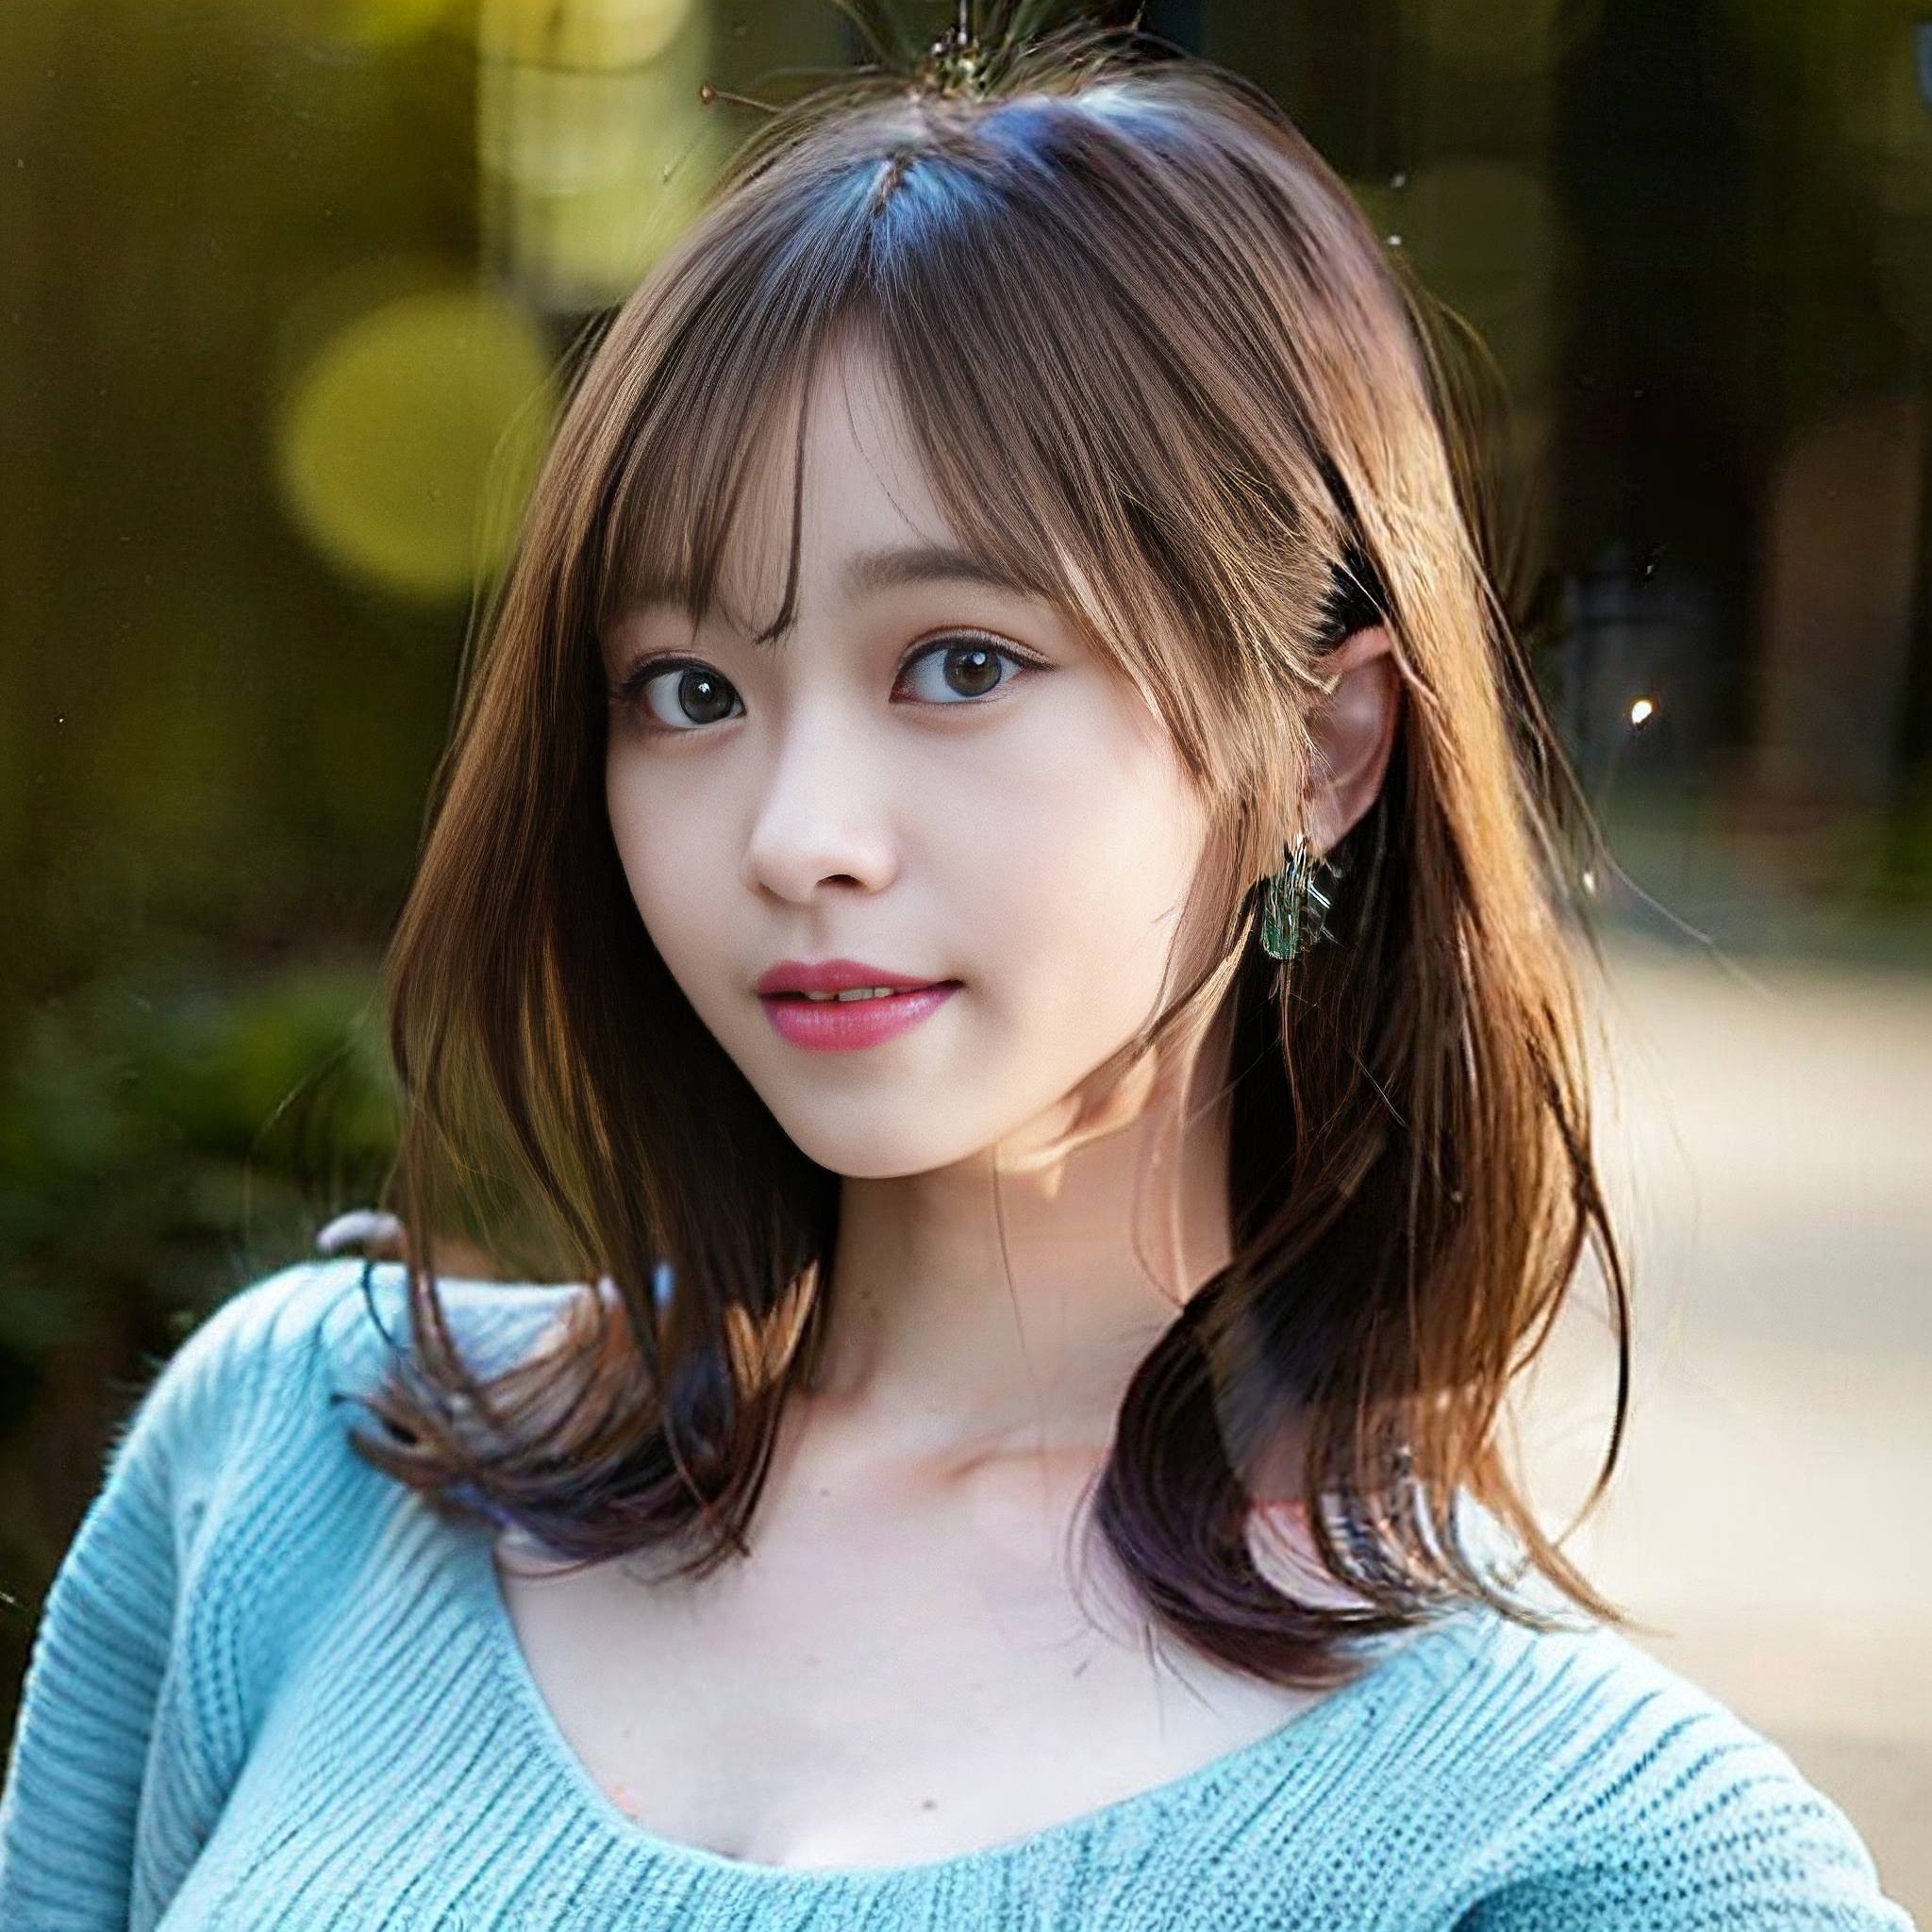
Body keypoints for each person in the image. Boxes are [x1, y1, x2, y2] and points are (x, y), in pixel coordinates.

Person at [0, 14, 1917, 1930]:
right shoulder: (307, 1471)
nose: (793, 829)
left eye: (961, 663)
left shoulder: (1585, 1854)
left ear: (1319, 755)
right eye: (688, 689)